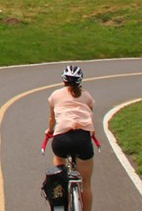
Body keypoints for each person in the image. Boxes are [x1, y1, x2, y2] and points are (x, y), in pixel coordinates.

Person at [46, 64, 96, 211]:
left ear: (63, 81)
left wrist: (49, 131)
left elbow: (52, 120)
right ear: (80, 81)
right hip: (82, 139)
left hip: (61, 139)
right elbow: (89, 118)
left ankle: (60, 183)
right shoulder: (87, 96)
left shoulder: (55, 95)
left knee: (59, 159)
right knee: (86, 184)